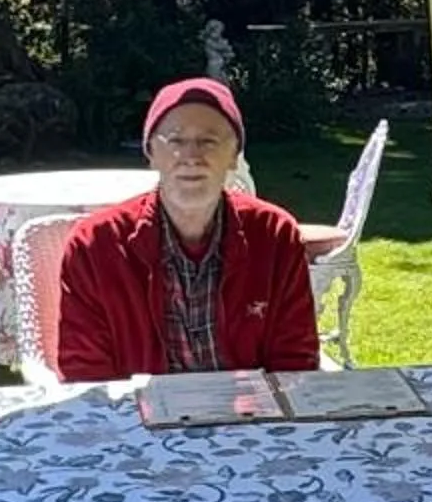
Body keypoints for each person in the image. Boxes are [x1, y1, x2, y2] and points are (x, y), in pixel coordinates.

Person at [55, 76, 321, 380]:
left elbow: (295, 361)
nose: (191, 157)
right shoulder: (95, 246)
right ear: (150, 153)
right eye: (176, 140)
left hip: (247, 416)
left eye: (208, 141)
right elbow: (85, 375)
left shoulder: (274, 235)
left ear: (234, 156)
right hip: (136, 418)